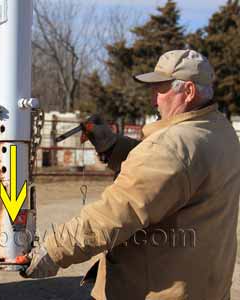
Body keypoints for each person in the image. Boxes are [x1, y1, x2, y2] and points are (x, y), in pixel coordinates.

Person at [20, 49, 240, 300]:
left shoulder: (171, 147)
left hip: (155, 291)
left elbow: (113, 215)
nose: (153, 99)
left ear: (188, 92)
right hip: (205, 287)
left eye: (161, 89)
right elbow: (171, 177)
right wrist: (113, 146)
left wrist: (52, 251)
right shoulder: (220, 131)